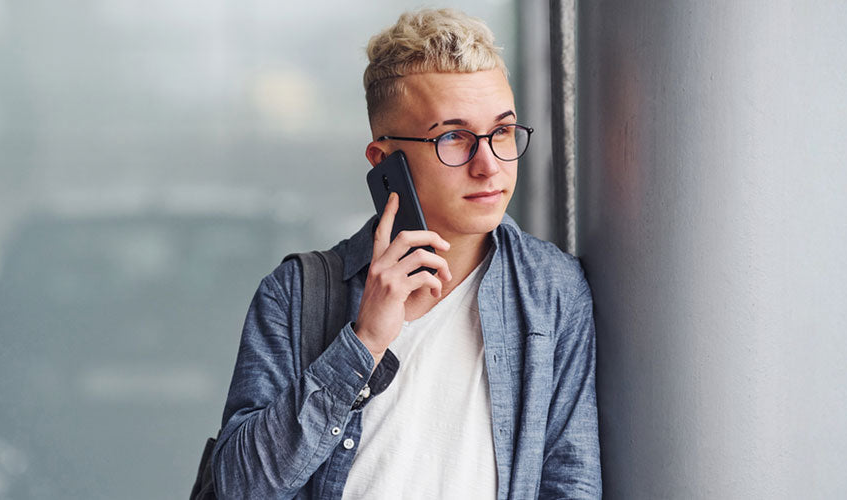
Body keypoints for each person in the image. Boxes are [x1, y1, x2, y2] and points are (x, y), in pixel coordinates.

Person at [212, 8, 600, 499]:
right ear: (384, 161)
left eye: (501, 131)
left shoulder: (553, 292)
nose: (488, 166)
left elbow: (571, 482)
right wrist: (365, 341)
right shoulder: (296, 294)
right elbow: (238, 489)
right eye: (453, 137)